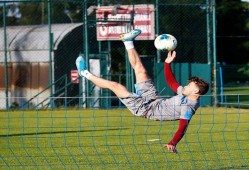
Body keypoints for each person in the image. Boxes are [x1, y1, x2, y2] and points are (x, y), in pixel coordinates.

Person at [76, 29, 209, 153]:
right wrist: (167, 63)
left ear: (196, 92)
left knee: (116, 86)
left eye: (189, 86)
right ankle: (128, 41)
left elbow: (182, 128)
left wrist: (173, 142)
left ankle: (84, 73)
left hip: (145, 109)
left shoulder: (189, 107)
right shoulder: (185, 93)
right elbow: (171, 82)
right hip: (154, 100)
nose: (185, 86)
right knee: (141, 70)